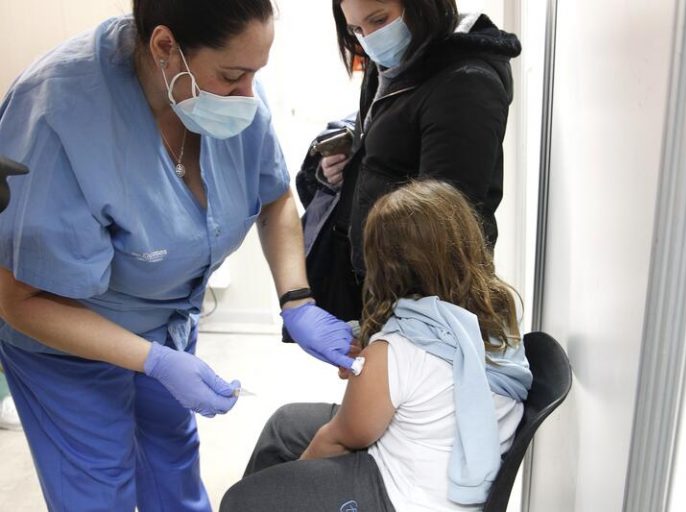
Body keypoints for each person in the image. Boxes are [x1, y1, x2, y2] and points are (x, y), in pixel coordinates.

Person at [0, 1, 355, 510]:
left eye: (256, 73)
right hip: (65, 343)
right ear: (166, 47)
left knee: (174, 470)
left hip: (166, 324)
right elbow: (21, 300)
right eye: (233, 75)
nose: (248, 95)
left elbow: (274, 198)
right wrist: (155, 362)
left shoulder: (231, 95)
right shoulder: (58, 113)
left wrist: (297, 299)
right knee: (100, 492)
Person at [221, 180, 533, 512]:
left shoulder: (396, 351)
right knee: (285, 424)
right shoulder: (496, 315)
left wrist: (295, 481)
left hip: (406, 498)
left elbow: (339, 439)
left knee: (242, 500)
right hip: (441, 459)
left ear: (386, 268)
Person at [298, 0, 521, 322]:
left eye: (378, 19)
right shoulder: (394, 65)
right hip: (382, 278)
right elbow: (393, 147)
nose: (370, 38)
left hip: (421, 291)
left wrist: (399, 321)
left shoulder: (466, 82)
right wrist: (348, 163)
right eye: (356, 29)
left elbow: (442, 222)